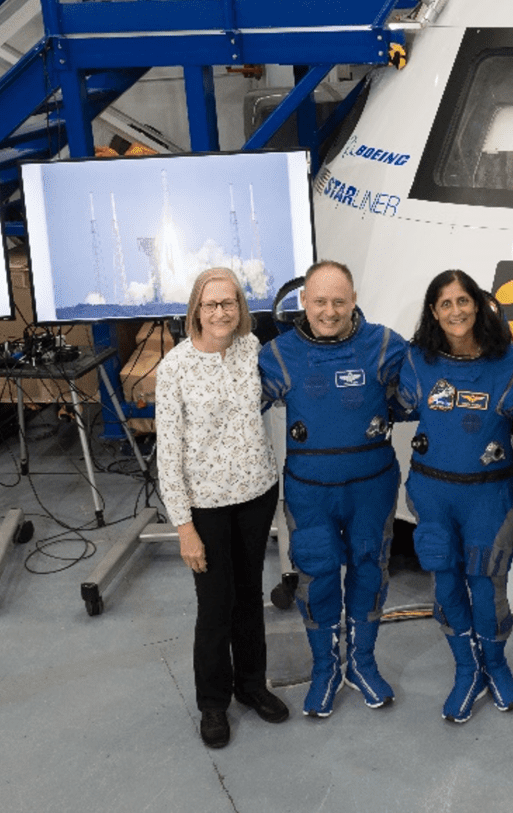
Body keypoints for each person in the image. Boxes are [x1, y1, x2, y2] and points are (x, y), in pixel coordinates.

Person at [257, 260, 409, 717]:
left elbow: (426, 391)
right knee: (317, 576)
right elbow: (234, 410)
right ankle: (325, 669)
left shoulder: (385, 345)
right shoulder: (278, 354)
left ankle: (362, 663)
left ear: (354, 301)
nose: (329, 311)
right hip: (309, 491)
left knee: (369, 570)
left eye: (338, 302)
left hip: (371, 488)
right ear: (303, 302)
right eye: (319, 301)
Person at [156, 267, 292, 748]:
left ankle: (252, 685)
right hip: (206, 507)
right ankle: (213, 703)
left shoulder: (251, 352)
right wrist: (184, 527)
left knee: (249, 597)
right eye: (211, 304)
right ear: (196, 309)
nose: (220, 312)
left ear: (241, 310)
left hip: (256, 495)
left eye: (229, 303)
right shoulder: (174, 368)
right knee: (215, 606)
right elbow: (167, 454)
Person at [394, 269, 513, 723]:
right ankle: (466, 669)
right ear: (434, 311)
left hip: (489, 496)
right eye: (445, 303)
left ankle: (497, 664)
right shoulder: (415, 361)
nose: (455, 311)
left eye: (463, 301)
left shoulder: (512, 361)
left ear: (480, 304)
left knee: (487, 586)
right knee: (446, 581)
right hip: (432, 494)